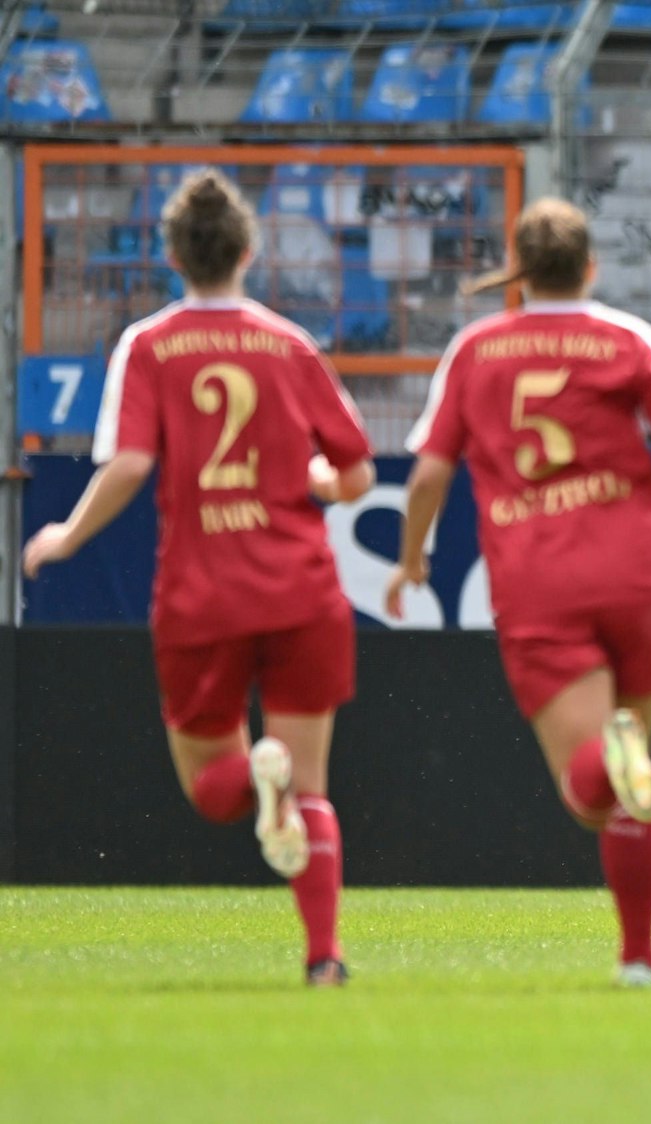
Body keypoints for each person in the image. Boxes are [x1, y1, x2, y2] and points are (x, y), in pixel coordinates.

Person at [384, 198, 651, 986]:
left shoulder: (475, 351)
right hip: (636, 575)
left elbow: (430, 471)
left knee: (593, 796)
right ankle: (637, 959)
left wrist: (409, 558)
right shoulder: (634, 342)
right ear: (591, 267)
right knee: (634, 785)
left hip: (540, 585)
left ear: (520, 273)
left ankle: (620, 791)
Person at [23, 169, 376, 985]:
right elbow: (354, 471)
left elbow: (131, 463)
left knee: (214, 790)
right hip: (299, 586)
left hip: (201, 590)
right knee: (312, 789)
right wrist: (316, 483)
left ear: (173, 256)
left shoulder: (148, 345)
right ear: (248, 251)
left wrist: (69, 534)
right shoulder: (291, 344)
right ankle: (324, 957)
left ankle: (261, 779)